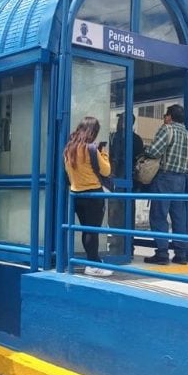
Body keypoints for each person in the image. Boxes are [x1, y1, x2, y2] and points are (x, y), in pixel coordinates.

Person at [143, 104, 188, 265]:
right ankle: (181, 254)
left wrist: (146, 150)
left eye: (165, 115)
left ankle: (162, 253)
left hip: (165, 177)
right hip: (181, 180)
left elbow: (154, 152)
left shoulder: (167, 130)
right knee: (179, 217)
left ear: (169, 117)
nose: (164, 118)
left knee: (158, 216)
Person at [63, 116, 113, 277]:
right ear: (93, 132)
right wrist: (103, 154)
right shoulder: (90, 149)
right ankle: (92, 264)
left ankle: (93, 261)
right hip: (93, 195)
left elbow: (68, 175)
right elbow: (106, 171)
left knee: (86, 230)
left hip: (76, 195)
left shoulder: (69, 149)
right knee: (93, 231)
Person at [107, 113, 145, 255]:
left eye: (120, 120)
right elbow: (140, 162)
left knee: (115, 217)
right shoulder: (137, 140)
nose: (118, 122)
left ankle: (118, 248)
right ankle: (128, 247)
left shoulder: (114, 137)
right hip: (130, 185)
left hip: (117, 183)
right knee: (128, 216)